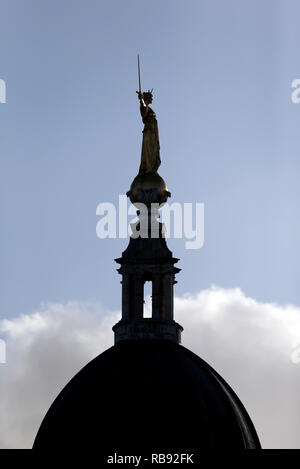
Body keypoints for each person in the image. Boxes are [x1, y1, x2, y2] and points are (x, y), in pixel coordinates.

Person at [137, 90, 161, 174]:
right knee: (149, 150)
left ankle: (152, 168)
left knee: (155, 149)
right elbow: (144, 109)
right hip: (149, 130)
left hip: (153, 130)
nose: (152, 99)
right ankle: (148, 168)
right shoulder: (144, 106)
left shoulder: (149, 108)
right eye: (151, 97)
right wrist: (141, 99)